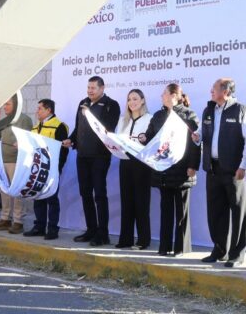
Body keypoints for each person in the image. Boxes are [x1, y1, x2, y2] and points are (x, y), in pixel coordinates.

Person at [195, 78, 246, 267]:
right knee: (216, 212)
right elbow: (201, 135)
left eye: (214, 88)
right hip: (212, 169)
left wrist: (244, 165)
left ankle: (236, 254)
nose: (211, 91)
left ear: (226, 91)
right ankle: (219, 249)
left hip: (233, 170)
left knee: (238, 212)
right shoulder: (208, 110)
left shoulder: (242, 110)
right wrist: (196, 137)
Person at [143, 83, 200, 257]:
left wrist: (193, 166)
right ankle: (164, 246)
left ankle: (181, 248)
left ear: (174, 95)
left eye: (164, 94)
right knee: (165, 210)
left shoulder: (189, 115)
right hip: (163, 169)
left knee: (181, 211)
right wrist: (144, 138)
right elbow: (151, 138)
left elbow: (195, 143)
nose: (162, 96)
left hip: (182, 170)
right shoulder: (159, 115)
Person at [66, 76, 121, 246]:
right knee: (85, 193)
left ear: (102, 88)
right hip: (82, 155)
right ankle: (90, 230)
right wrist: (71, 139)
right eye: (88, 87)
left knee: (99, 194)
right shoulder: (83, 102)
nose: (89, 90)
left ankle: (102, 233)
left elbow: (108, 129)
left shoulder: (112, 105)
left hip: (100, 156)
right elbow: (78, 126)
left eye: (93, 88)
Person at [24, 98, 69, 240]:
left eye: (39, 109)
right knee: (38, 197)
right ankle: (39, 227)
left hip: (52, 170)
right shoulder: (35, 127)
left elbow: (63, 150)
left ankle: (53, 229)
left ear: (49, 110)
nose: (36, 111)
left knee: (51, 198)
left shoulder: (59, 126)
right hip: (37, 169)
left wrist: (57, 168)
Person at [114, 89, 153, 250]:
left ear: (143, 101)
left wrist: (145, 139)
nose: (132, 102)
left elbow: (153, 142)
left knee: (141, 202)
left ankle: (143, 240)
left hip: (142, 165)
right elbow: (116, 140)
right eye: (129, 99)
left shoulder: (149, 119)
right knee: (126, 201)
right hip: (125, 163)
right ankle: (126, 238)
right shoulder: (123, 120)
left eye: (135, 98)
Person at [0, 98, 34, 234]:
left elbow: (28, 138)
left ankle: (18, 221)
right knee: (4, 191)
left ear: (16, 106)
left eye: (7, 104)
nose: (4, 107)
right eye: (4, 104)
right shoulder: (4, 120)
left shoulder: (24, 119)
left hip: (17, 161)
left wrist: (20, 143)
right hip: (2, 160)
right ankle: (5, 219)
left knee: (17, 192)